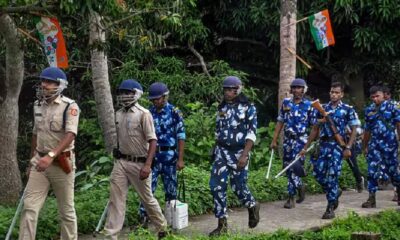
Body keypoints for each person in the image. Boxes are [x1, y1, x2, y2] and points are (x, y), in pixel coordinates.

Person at [19, 67, 80, 239]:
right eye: (42, 81)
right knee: (29, 207)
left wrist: (51, 156)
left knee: (66, 210)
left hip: (61, 163)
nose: (43, 85)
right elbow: (35, 133)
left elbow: (70, 135)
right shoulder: (38, 105)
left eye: (48, 82)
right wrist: (32, 160)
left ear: (60, 85)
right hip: (39, 161)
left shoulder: (70, 106)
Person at [102, 79, 167, 239]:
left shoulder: (144, 114)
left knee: (147, 199)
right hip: (122, 162)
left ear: (137, 94)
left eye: (128, 93)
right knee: (116, 199)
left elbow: (153, 140)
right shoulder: (118, 114)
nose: (124, 96)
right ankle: (111, 235)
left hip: (140, 163)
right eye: (122, 93)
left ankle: (162, 227)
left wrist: (148, 165)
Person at [208, 76, 260, 236]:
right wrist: (214, 148)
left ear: (238, 90)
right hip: (221, 153)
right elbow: (218, 130)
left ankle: (252, 205)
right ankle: (222, 224)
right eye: (225, 89)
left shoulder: (248, 108)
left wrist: (245, 155)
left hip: (239, 153)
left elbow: (252, 133)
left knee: (238, 187)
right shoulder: (221, 108)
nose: (228, 92)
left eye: (231, 89)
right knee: (216, 187)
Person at [301, 82, 359, 219]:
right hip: (323, 145)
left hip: (337, 146)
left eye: (337, 92)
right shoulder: (322, 108)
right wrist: (305, 147)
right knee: (318, 173)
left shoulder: (347, 109)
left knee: (332, 175)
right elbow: (315, 129)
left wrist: (348, 147)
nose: (334, 94)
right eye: (332, 92)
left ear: (342, 94)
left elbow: (354, 129)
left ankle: (330, 207)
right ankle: (334, 191)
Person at [138, 82, 185, 226]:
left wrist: (180, 159)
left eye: (158, 99)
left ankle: (171, 221)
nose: (155, 102)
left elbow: (181, 135)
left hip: (169, 157)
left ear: (165, 97)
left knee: (171, 190)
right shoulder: (148, 113)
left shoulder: (174, 112)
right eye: (153, 99)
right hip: (152, 158)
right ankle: (143, 220)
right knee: (147, 189)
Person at [270, 78, 314, 208]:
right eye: (294, 87)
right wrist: (274, 139)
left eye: (299, 88)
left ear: (304, 89)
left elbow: (314, 127)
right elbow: (280, 121)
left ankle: (291, 197)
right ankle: (299, 186)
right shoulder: (286, 103)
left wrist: (310, 144)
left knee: (295, 167)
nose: (296, 90)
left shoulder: (309, 105)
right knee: (287, 167)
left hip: (301, 141)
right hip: (288, 140)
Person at [361, 86, 400, 208]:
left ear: (383, 95)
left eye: (377, 96)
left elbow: (399, 124)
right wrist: (365, 146)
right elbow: (367, 130)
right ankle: (371, 199)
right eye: (372, 97)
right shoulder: (369, 110)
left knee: (393, 171)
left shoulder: (392, 107)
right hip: (375, 145)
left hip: (390, 144)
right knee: (372, 171)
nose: (375, 99)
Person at [382, 85, 398, 201]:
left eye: (385, 94)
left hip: (394, 138)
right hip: (392, 139)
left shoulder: (395, 106)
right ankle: (396, 192)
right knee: (396, 166)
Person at [344, 124, 364, 193]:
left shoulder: (351, 114)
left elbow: (357, 131)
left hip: (348, 141)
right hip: (334, 139)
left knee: (352, 163)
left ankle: (359, 180)